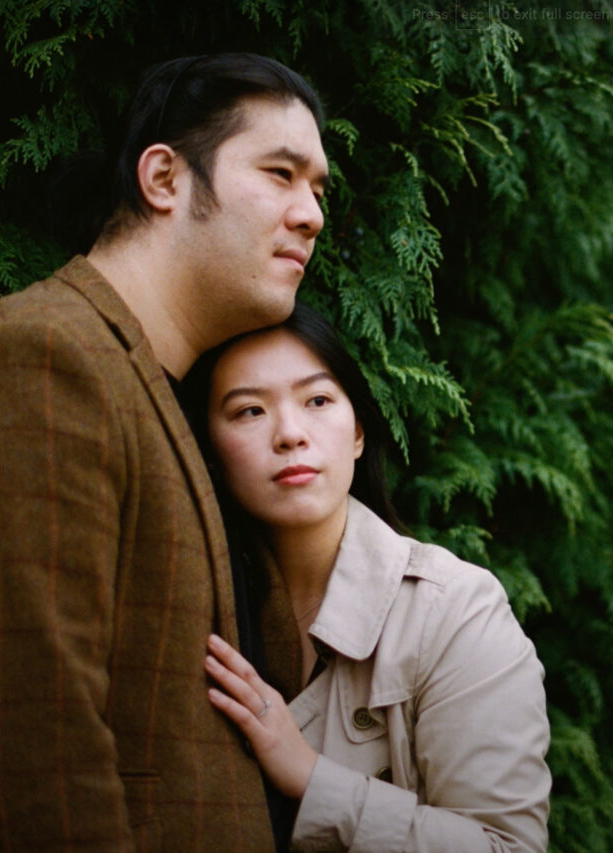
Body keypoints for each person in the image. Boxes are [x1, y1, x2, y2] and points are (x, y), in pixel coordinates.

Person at [0, 53, 329, 849]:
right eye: (281, 173)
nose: (312, 214)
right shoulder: (39, 355)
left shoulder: (171, 396)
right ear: (163, 180)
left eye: (318, 188)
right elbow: (33, 761)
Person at [184, 302, 552, 851]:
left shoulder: (455, 611)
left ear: (357, 432)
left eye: (317, 400)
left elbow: (509, 846)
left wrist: (311, 778)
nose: (289, 434)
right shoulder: (194, 607)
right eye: (249, 411)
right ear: (208, 454)